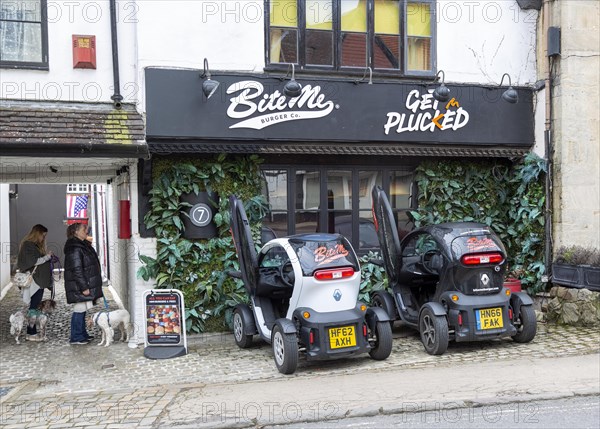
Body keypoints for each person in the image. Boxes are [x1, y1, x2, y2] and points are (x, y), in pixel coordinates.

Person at [63, 222, 104, 345]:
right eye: (83, 229)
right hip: (79, 286)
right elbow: (77, 269)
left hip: (83, 283)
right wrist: (84, 287)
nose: (86, 231)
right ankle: (76, 337)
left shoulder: (82, 245)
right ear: (75, 232)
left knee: (82, 309)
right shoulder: (75, 248)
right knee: (79, 309)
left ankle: (82, 334)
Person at [16, 224, 54, 341]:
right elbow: (34, 261)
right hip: (35, 282)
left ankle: (32, 332)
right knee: (34, 307)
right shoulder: (28, 245)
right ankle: (31, 333)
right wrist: (47, 257)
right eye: (43, 235)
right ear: (37, 234)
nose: (43, 238)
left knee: (35, 307)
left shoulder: (34, 245)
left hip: (38, 281)